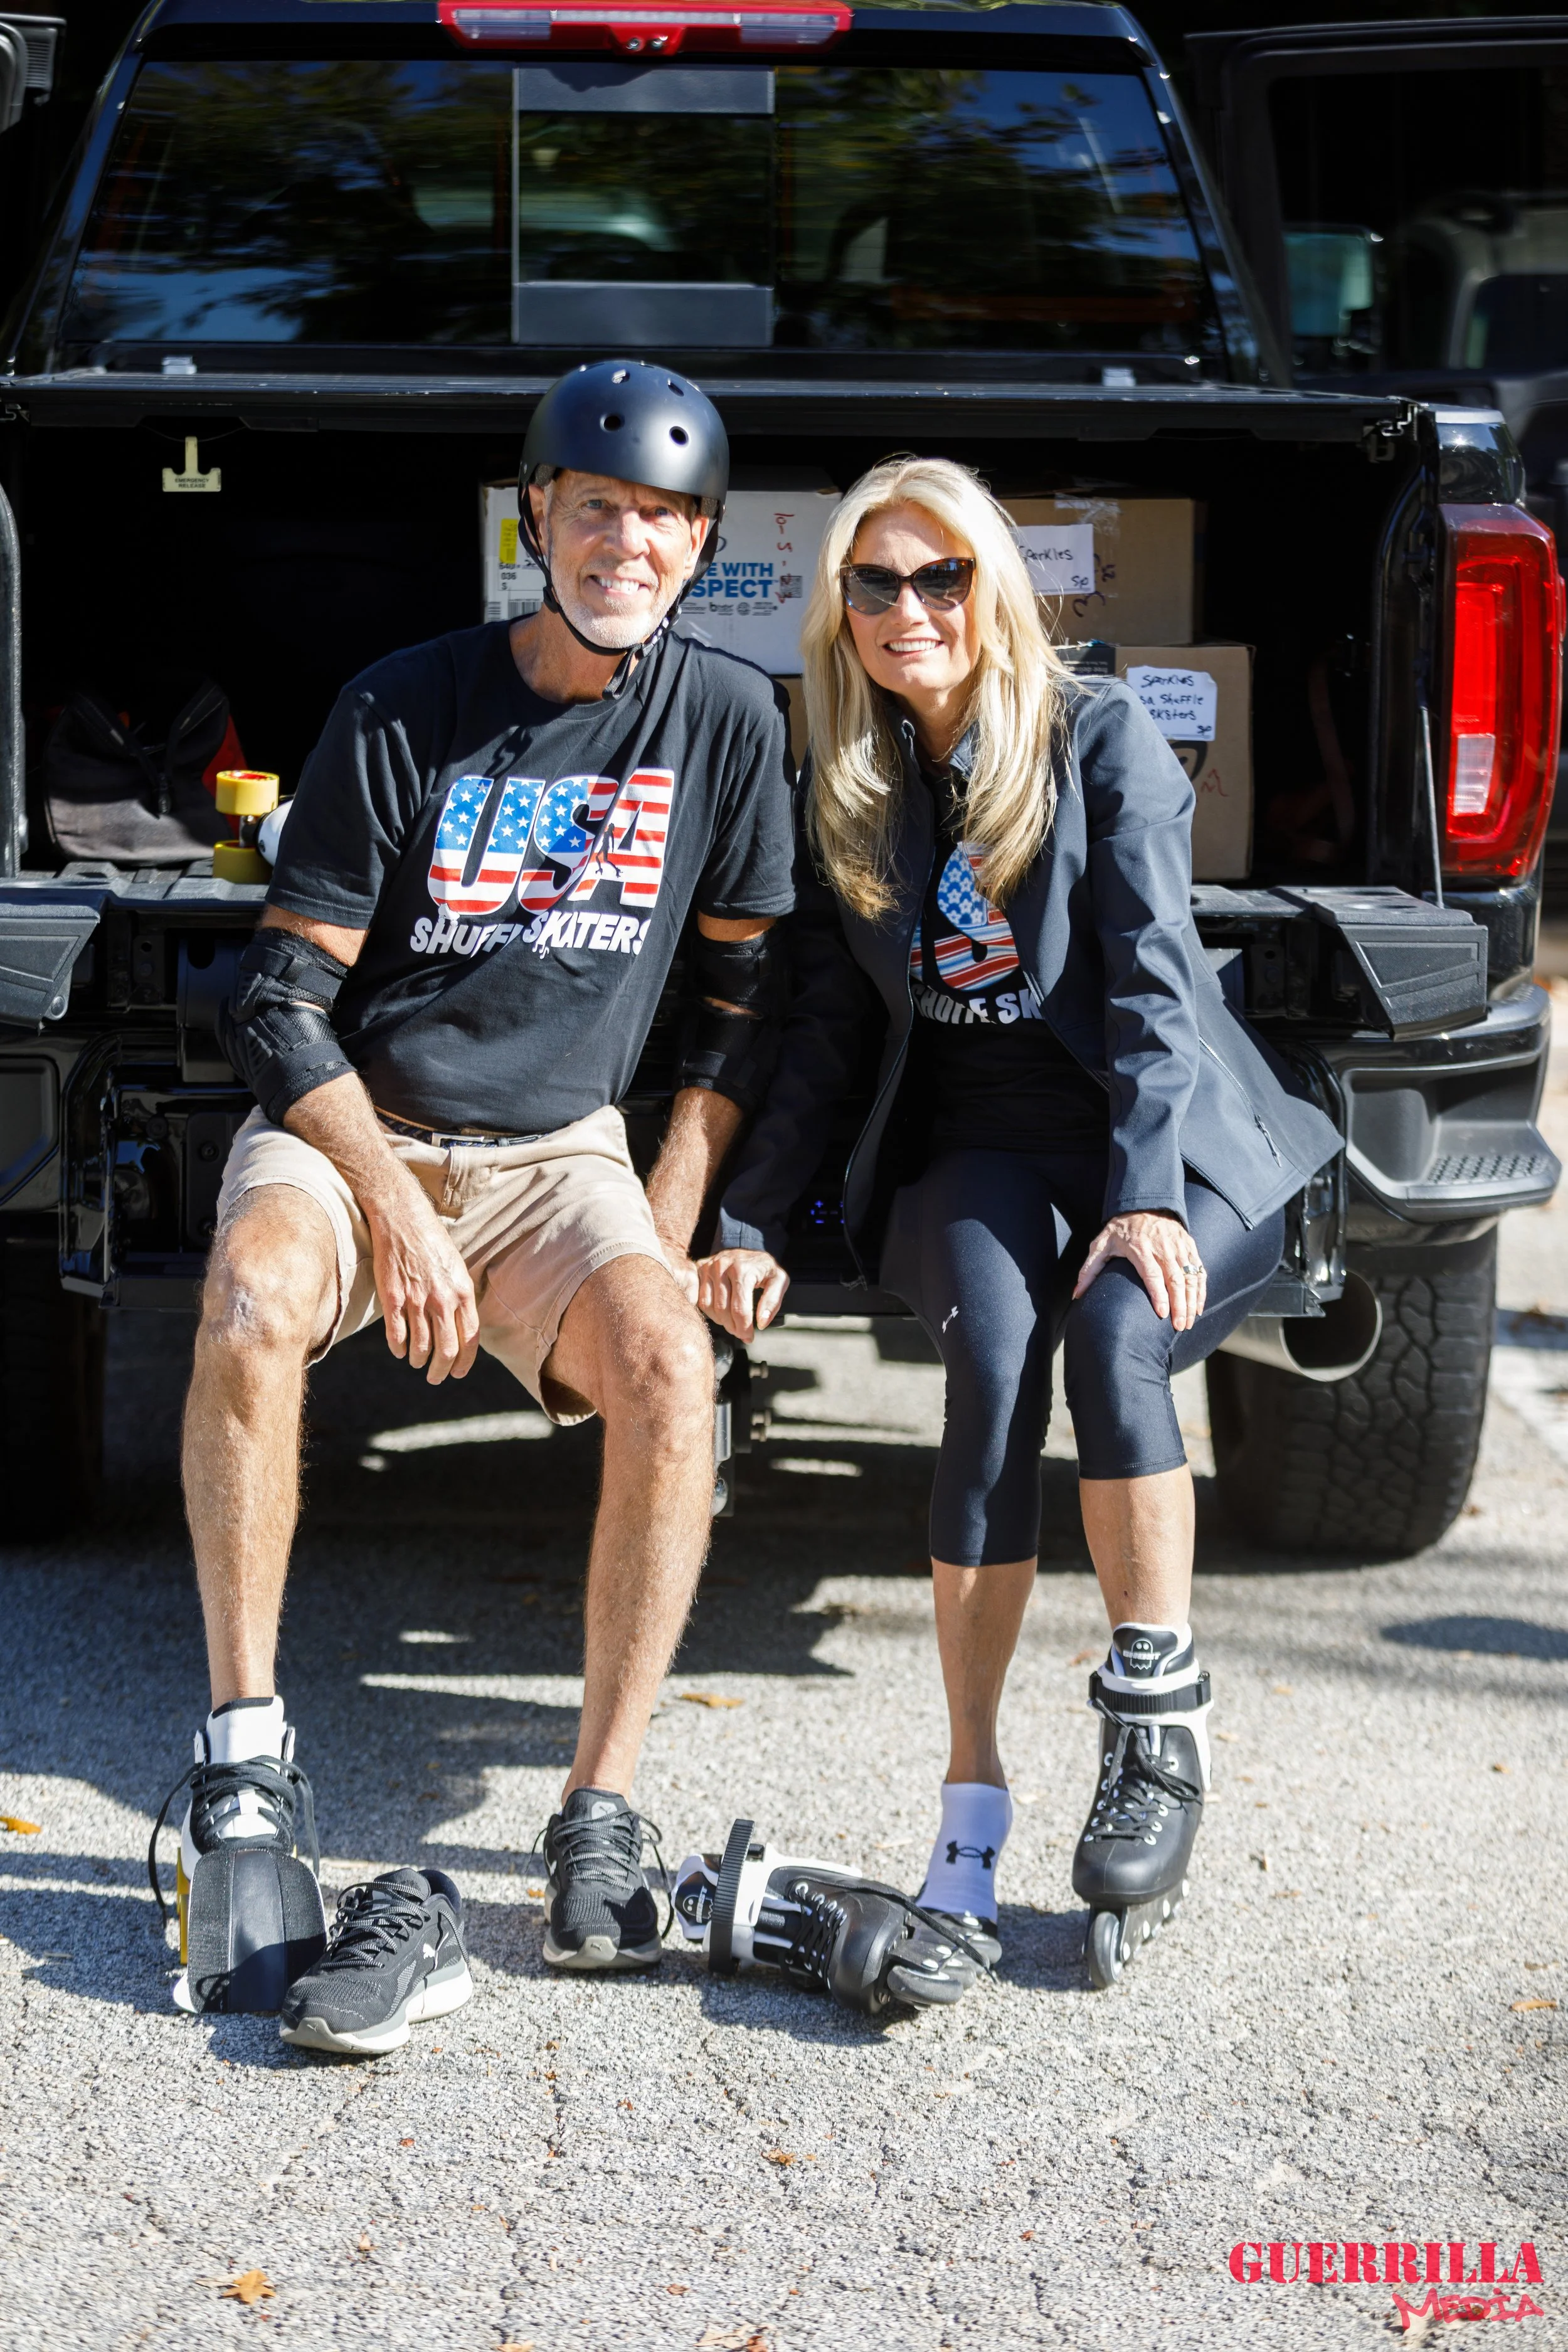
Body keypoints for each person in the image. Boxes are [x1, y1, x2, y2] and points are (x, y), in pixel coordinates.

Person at [153, 360, 795, 2025]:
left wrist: (667, 1220)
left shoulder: (728, 720)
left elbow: (740, 1000)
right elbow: (279, 1004)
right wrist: (394, 1208)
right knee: (250, 1298)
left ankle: (599, 1811)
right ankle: (244, 1761)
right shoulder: (403, 703)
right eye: (596, 509)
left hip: (558, 1154)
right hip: (357, 1123)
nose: (625, 544)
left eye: (662, 519)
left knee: (670, 1367)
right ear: (534, 517)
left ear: (703, 542)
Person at [696, 455, 1339, 1984]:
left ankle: (1153, 1724)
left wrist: (1141, 1198)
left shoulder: (1096, 737)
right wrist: (751, 1221)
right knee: (991, 1364)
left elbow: (1154, 986)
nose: (908, 609)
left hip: (1159, 1135)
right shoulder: (843, 777)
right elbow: (822, 1026)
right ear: (839, 610)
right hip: (973, 1139)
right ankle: (968, 1811)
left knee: (1115, 1339)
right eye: (874, 583)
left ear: (992, 590)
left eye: (941, 577)